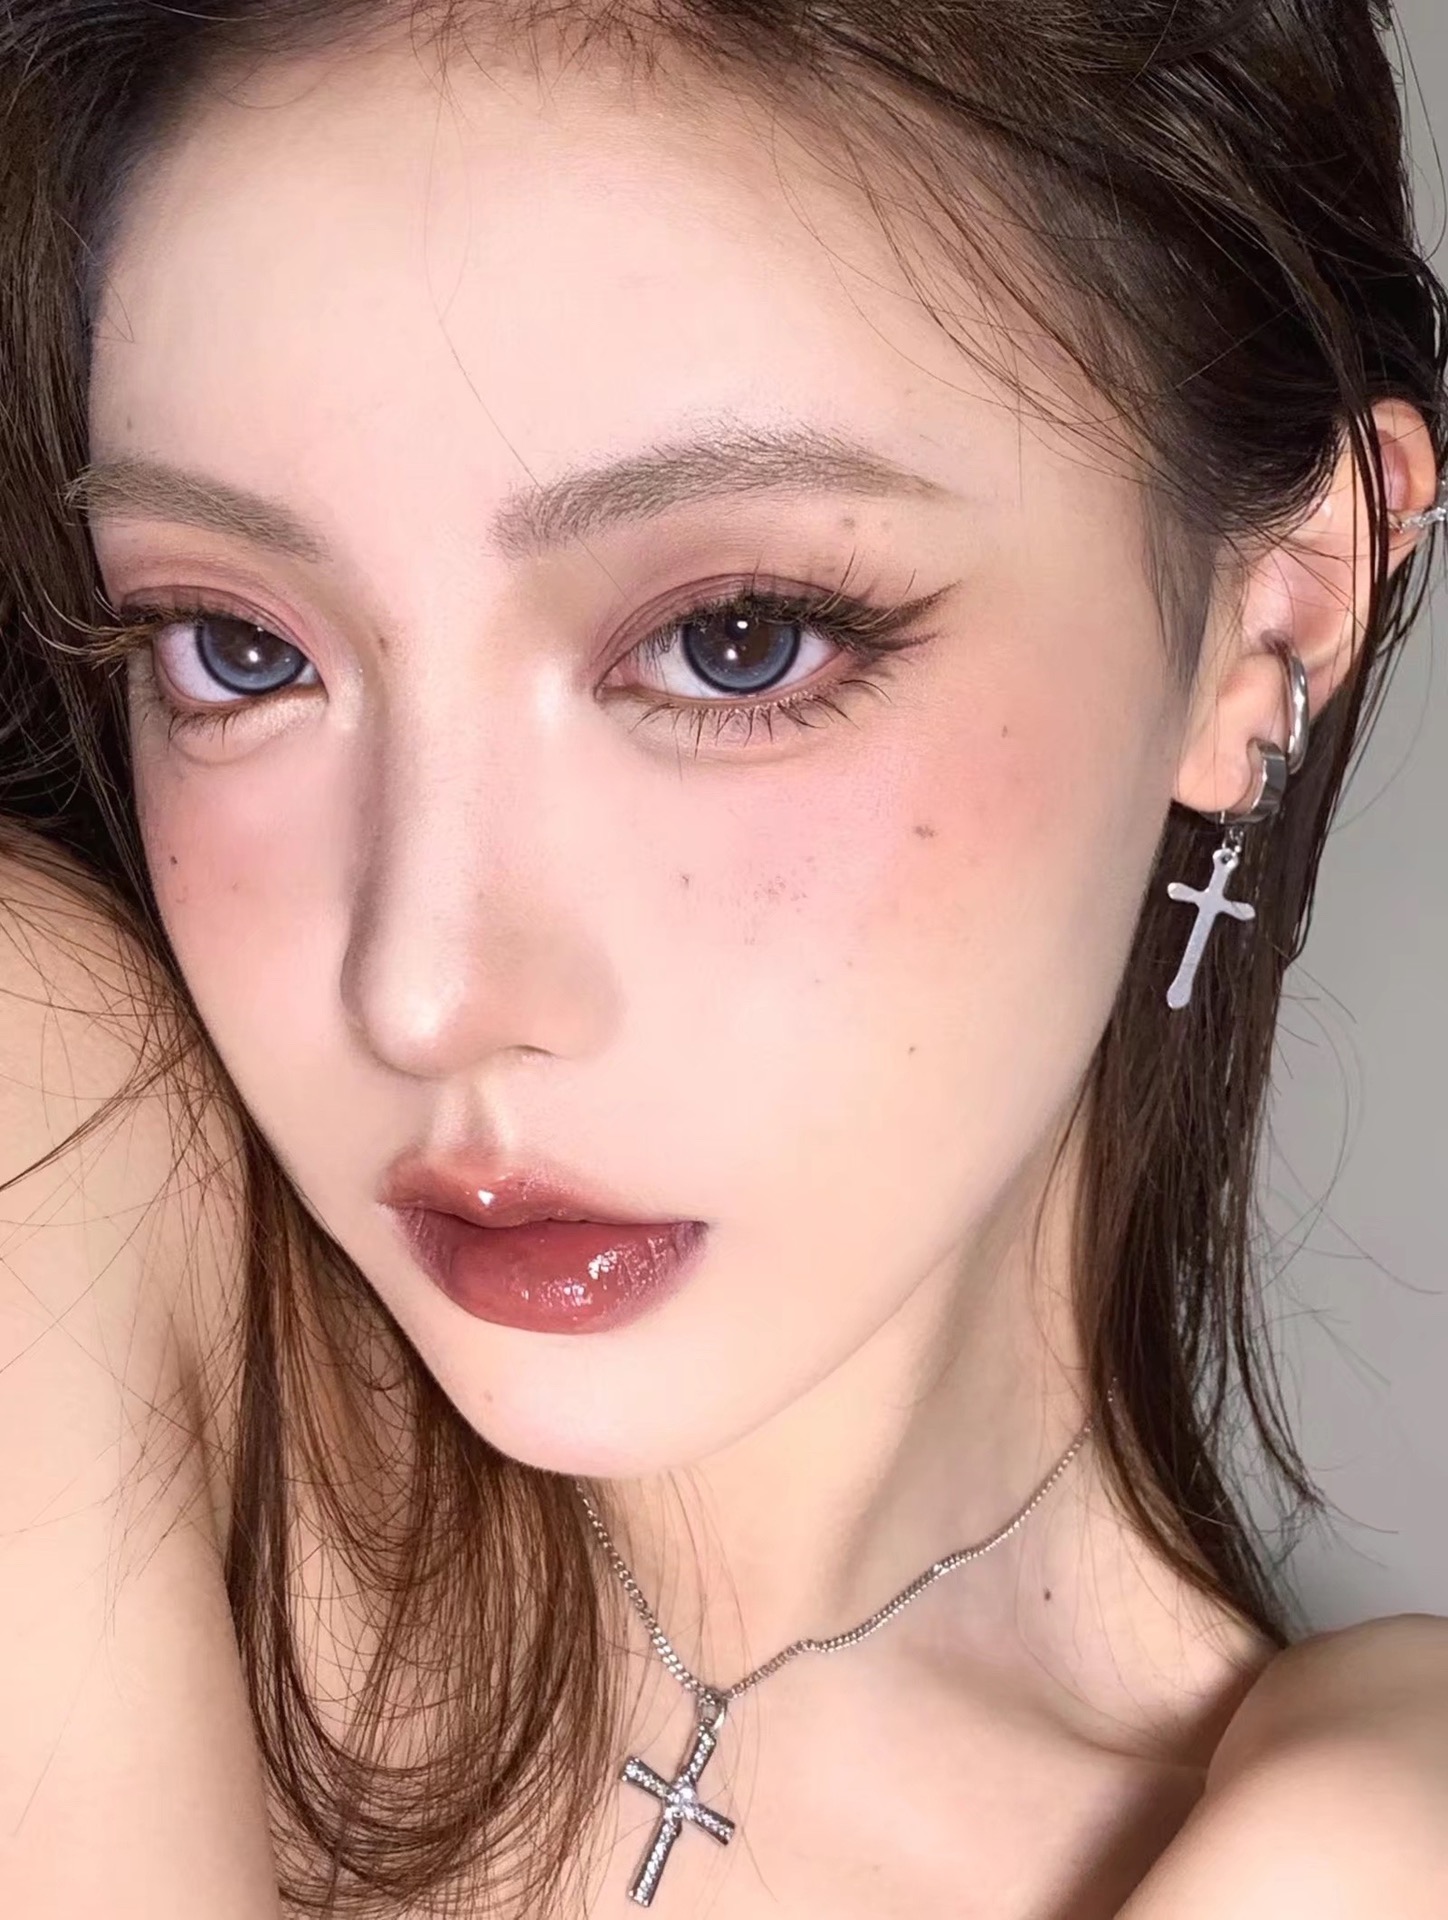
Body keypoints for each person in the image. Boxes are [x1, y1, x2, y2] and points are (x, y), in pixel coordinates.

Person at [1, 1, 1446, 1915]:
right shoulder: (43, 1132)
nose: (423, 995)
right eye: (238, 649)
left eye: (734, 642)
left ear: (1275, 621)